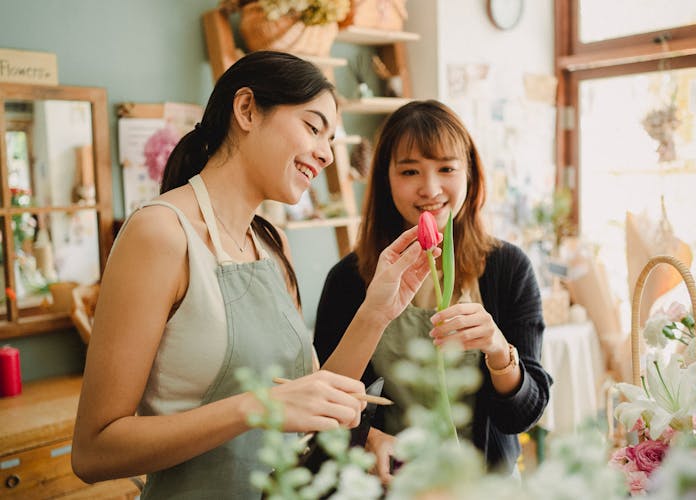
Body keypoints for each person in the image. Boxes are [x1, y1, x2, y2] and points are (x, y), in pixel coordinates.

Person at [72, 52, 437, 499]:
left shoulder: (271, 245)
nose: (325, 153)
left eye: (331, 137)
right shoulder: (160, 234)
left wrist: (377, 311)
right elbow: (93, 452)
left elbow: (310, 402)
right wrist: (255, 406)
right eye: (312, 126)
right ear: (246, 109)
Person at [314, 100, 552, 481]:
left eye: (446, 168)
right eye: (410, 171)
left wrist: (496, 349)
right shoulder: (350, 278)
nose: (430, 188)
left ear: (469, 173)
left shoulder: (508, 269)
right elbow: (325, 402)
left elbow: (522, 416)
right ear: (385, 179)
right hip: (392, 482)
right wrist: (370, 436)